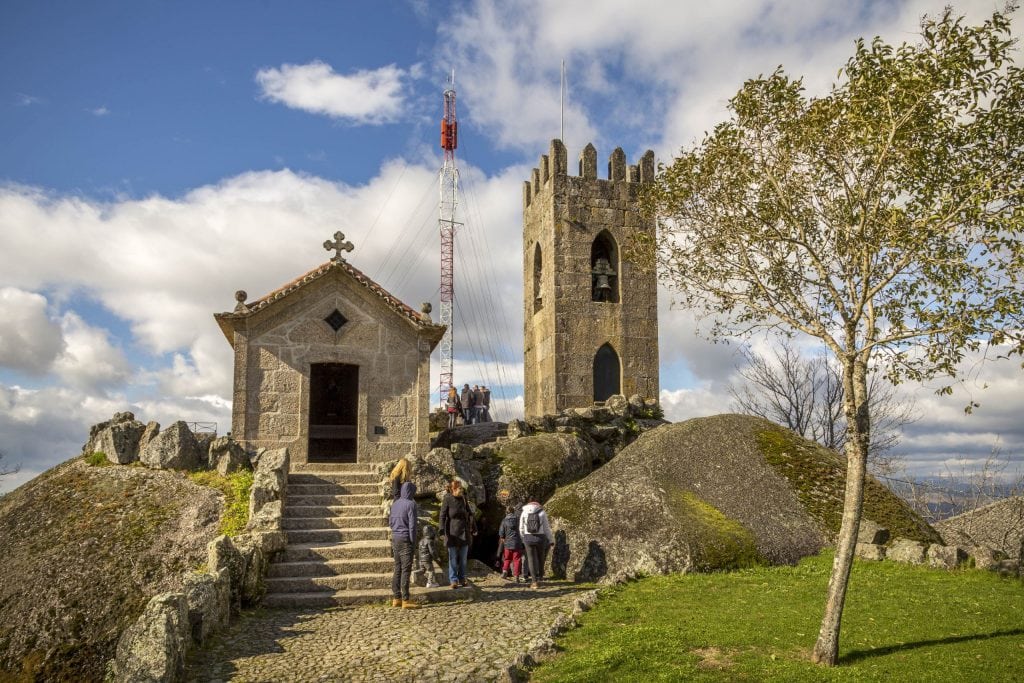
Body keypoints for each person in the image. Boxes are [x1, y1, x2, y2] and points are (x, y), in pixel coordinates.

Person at [439, 479, 475, 588]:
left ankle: (462, 578)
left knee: (463, 559)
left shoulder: (464, 498)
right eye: (458, 487)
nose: (461, 489)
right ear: (452, 489)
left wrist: (474, 527)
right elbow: (442, 515)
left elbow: (470, 513)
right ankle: (453, 580)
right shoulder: (448, 498)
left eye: (461, 487)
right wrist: (441, 530)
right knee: (453, 559)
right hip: (452, 532)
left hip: (464, 531)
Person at [388, 481, 419, 608]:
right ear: (411, 491)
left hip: (395, 538)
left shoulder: (395, 504)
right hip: (406, 539)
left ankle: (396, 598)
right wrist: (413, 541)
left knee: (398, 568)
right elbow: (412, 526)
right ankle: (406, 600)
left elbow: (390, 522)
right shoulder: (411, 504)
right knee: (406, 569)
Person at [519, 497, 554, 589]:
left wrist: (523, 539)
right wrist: (551, 540)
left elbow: (521, 528)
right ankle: (540, 578)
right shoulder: (542, 512)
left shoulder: (524, 512)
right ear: (537, 504)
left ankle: (534, 582)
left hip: (528, 537)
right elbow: (547, 528)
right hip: (540, 538)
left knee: (530, 559)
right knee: (540, 557)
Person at [498, 504, 524, 582]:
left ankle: (505, 572)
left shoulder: (504, 520)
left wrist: (503, 538)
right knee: (517, 559)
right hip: (517, 543)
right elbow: (522, 530)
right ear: (514, 511)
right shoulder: (518, 520)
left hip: (508, 543)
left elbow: (501, 533)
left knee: (507, 558)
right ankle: (516, 576)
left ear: (506, 512)